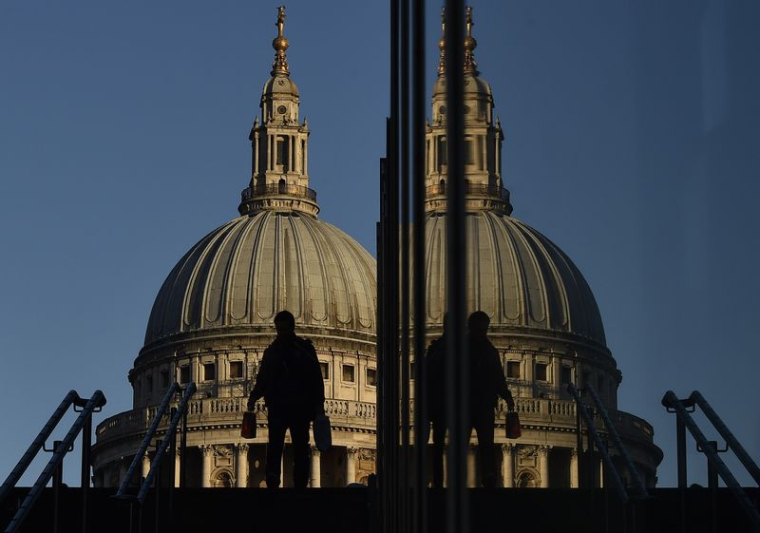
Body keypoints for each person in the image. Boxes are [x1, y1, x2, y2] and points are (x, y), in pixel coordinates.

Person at [247, 310, 325, 488]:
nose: (281, 333)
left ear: (292, 328)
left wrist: (319, 406)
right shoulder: (273, 352)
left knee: (300, 447)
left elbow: (316, 379)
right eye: (279, 330)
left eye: (284, 329)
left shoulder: (304, 350)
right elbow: (263, 379)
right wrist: (253, 397)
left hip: (299, 407)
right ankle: (273, 478)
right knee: (275, 445)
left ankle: (300, 482)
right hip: (279, 407)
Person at [467, 310, 515, 488]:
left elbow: (498, 378)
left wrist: (507, 396)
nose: (482, 333)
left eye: (483, 329)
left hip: (481, 405)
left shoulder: (488, 351)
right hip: (473, 404)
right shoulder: (485, 351)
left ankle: (489, 476)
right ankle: (488, 476)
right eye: (479, 329)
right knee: (482, 443)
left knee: (487, 444)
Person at [425, 315, 448, 488]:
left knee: (438, 447)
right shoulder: (467, 349)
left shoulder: (436, 348)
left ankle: (438, 483)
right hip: (448, 406)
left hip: (438, 406)